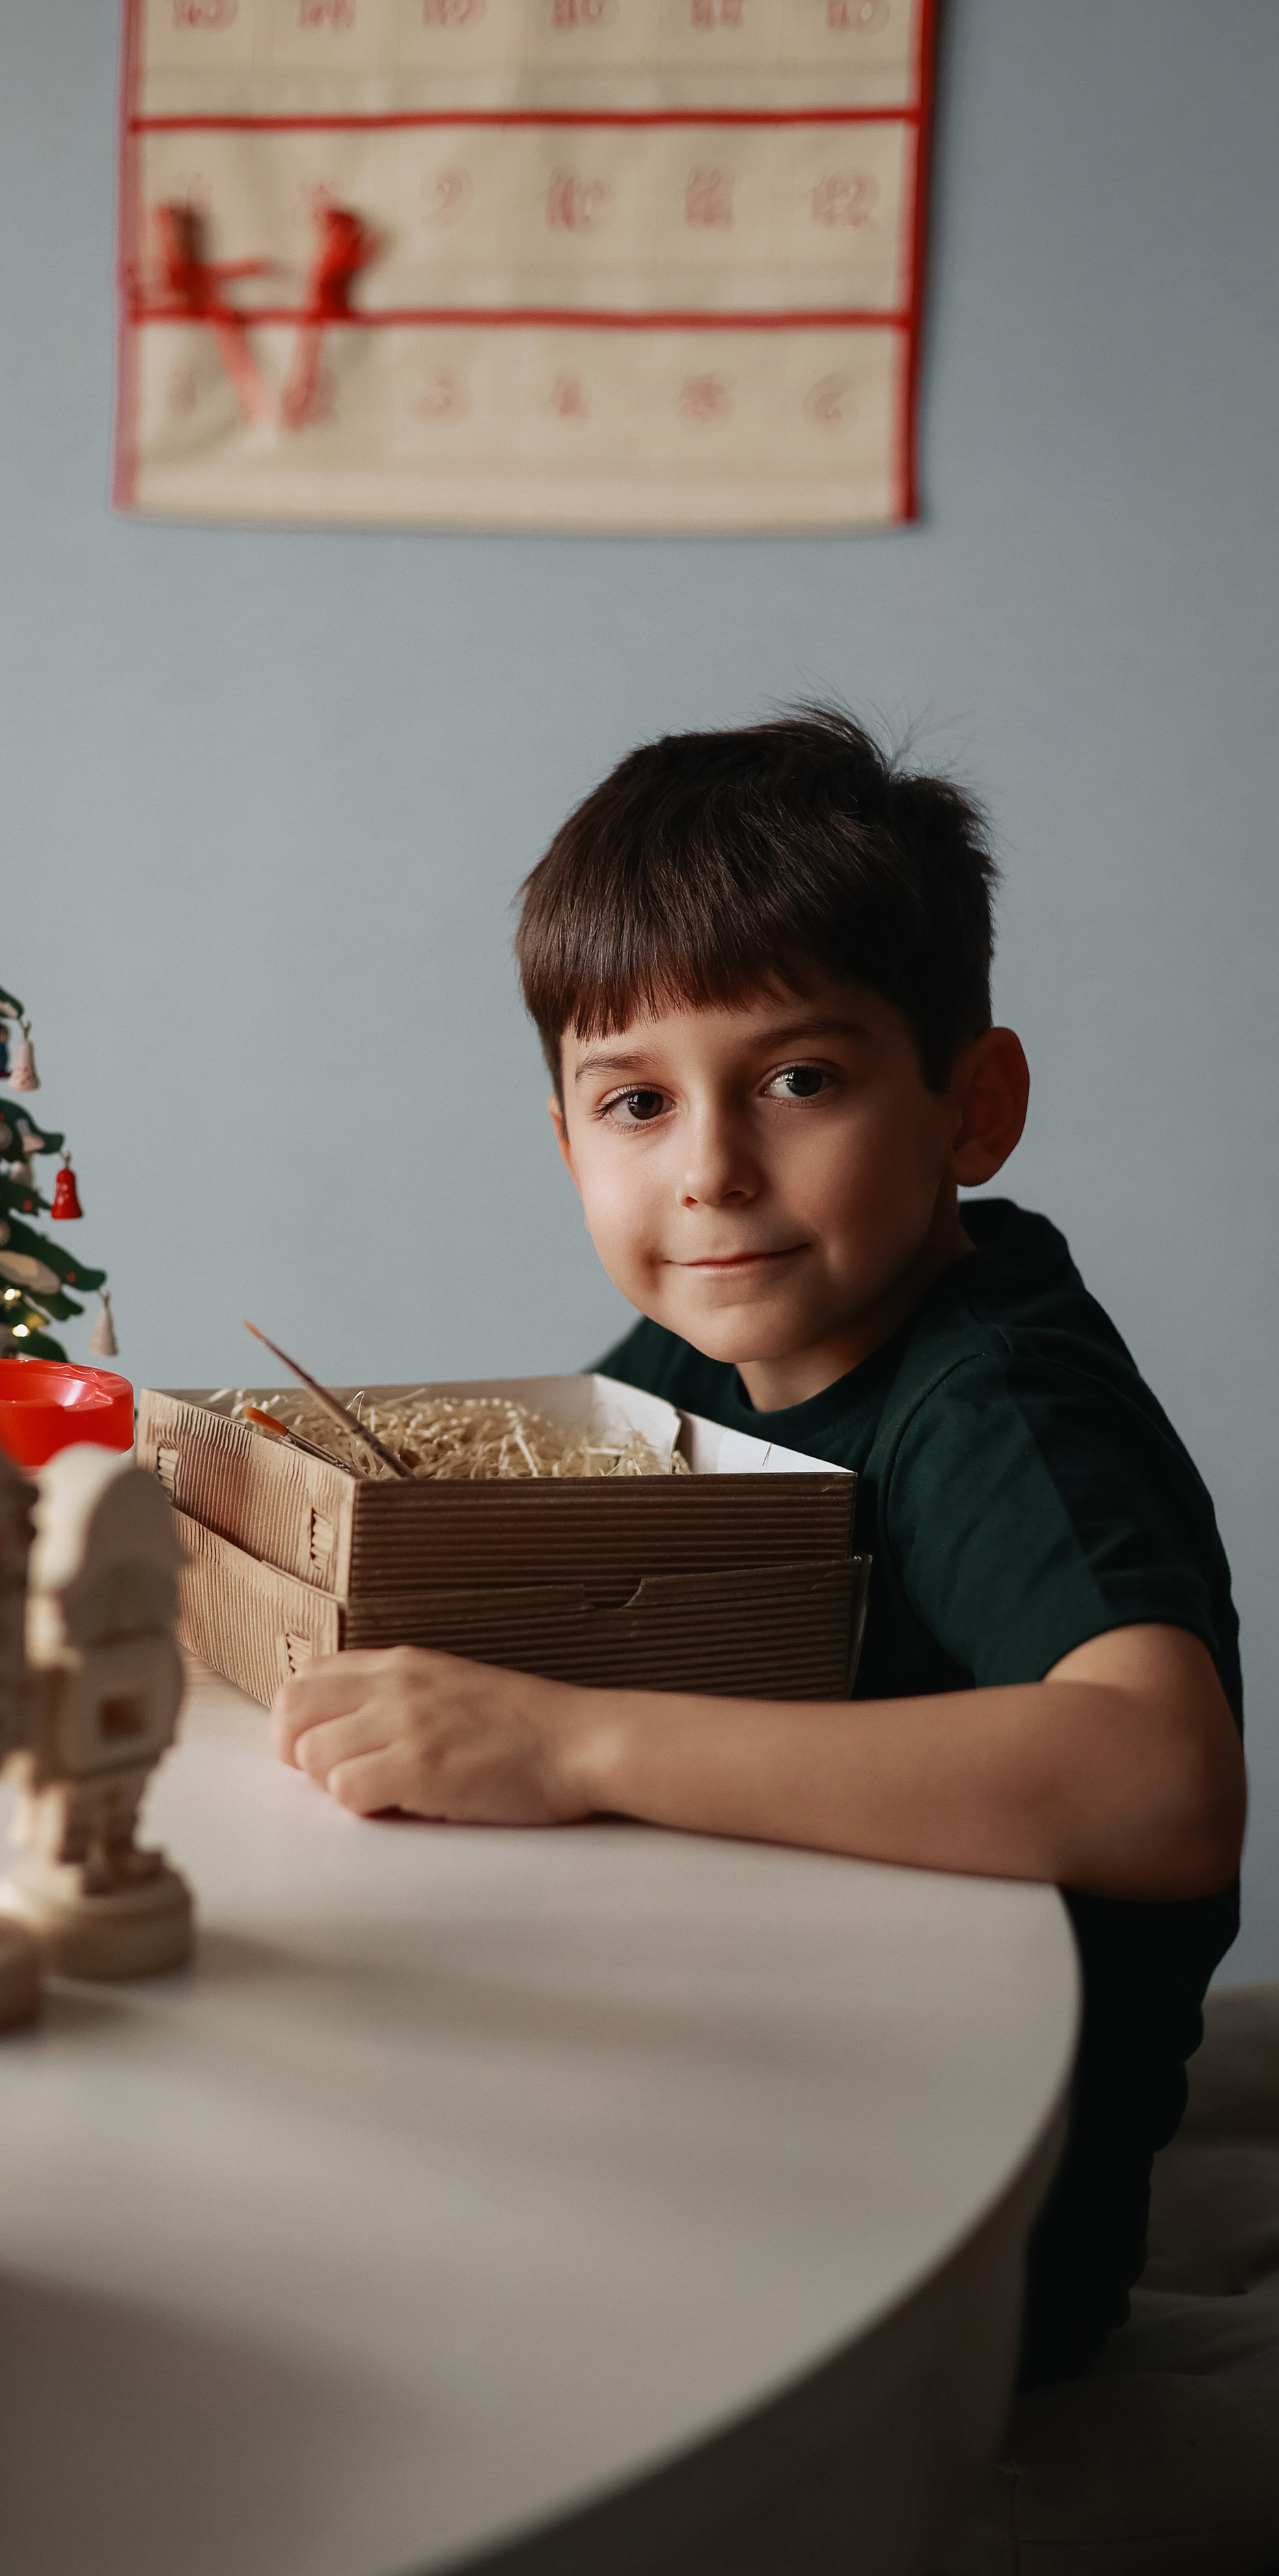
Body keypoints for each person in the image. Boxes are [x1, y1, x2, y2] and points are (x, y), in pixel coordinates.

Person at [271, 709, 1246, 2386]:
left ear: (971, 1107)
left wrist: (572, 1741)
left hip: (948, 2293)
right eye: (635, 1102)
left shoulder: (991, 1396)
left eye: (798, 1079)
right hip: (770, 2092)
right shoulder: (685, 1369)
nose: (711, 1170)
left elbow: (1159, 1780)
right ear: (567, 1144)